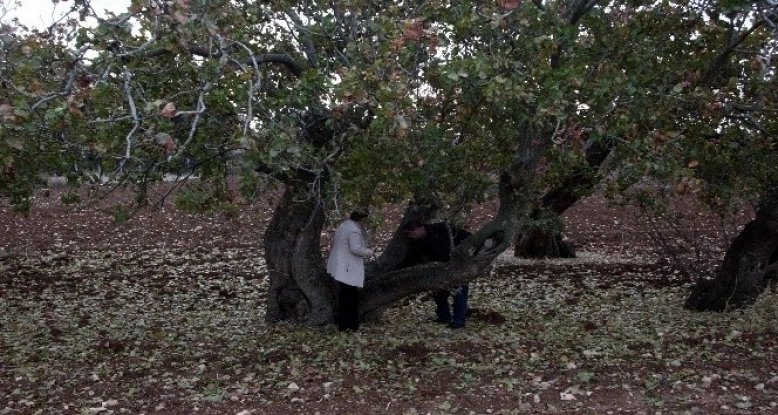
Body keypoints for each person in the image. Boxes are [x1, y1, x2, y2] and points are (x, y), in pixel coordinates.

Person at [403, 220, 472, 329]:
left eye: (410, 233)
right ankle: (444, 316)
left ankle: (459, 321)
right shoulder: (416, 242)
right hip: (439, 270)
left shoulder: (441, 229)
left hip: (456, 266)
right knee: (439, 294)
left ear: (419, 228)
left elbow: (467, 237)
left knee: (459, 293)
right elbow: (411, 258)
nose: (409, 236)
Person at [327, 209, 374, 332]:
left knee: (346, 295)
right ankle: (350, 325)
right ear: (361, 219)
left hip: (341, 264)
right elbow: (355, 248)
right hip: (347, 266)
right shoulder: (354, 230)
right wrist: (369, 252)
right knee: (350, 296)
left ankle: (345, 324)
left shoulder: (345, 225)